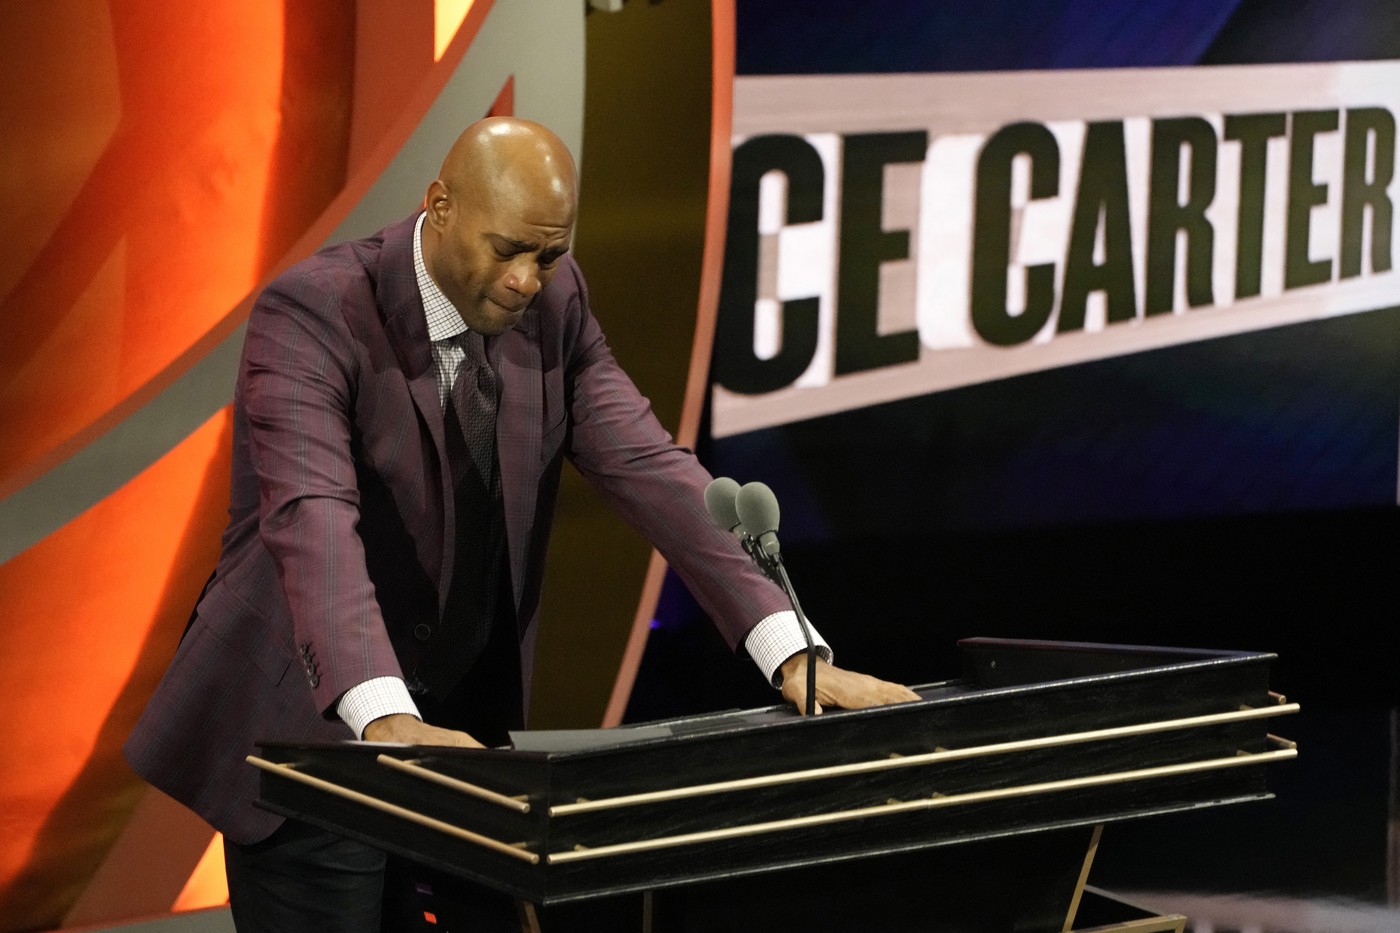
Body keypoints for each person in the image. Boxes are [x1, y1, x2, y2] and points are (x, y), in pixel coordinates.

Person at [124, 117, 918, 931]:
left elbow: (652, 467)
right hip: (313, 728)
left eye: (549, 255)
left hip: (464, 737)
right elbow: (313, 521)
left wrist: (789, 649)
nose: (527, 280)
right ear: (439, 206)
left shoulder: (557, 307)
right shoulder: (315, 313)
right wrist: (387, 718)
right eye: (506, 249)